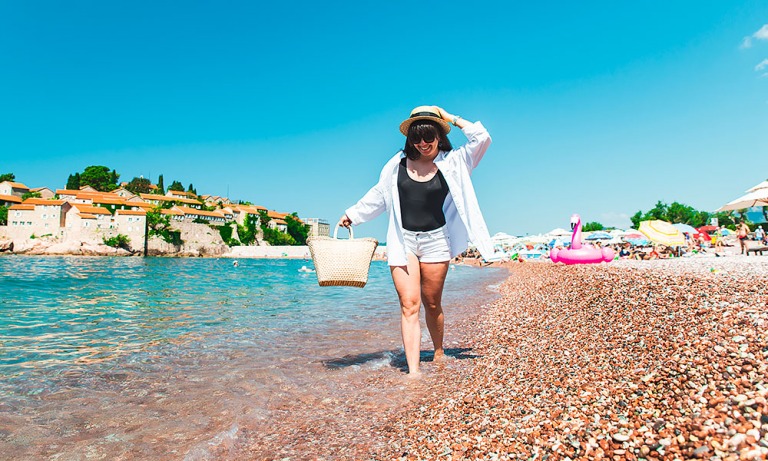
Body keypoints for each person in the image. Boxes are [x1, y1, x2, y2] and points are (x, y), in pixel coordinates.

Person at [338, 105, 499, 376]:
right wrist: (352, 214)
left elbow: (482, 138)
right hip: (403, 241)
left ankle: (438, 350)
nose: (423, 143)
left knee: (432, 303)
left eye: (429, 136)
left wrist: (450, 117)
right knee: (409, 305)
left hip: (437, 241)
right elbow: (379, 195)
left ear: (439, 136)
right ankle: (414, 371)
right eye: (416, 138)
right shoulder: (396, 164)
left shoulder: (455, 161)